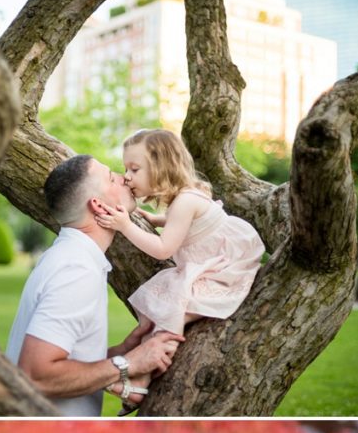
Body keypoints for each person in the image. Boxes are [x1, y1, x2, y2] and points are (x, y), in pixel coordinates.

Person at [5, 154, 184, 417]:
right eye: (112, 178)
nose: (124, 177)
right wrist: (129, 363)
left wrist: (117, 352)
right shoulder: (76, 270)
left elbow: (59, 362)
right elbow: (36, 375)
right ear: (99, 206)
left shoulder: (69, 257)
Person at [95, 129, 264, 396]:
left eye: (134, 169)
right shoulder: (185, 198)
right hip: (210, 262)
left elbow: (163, 250)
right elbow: (190, 223)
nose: (126, 177)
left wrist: (125, 225)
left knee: (172, 311)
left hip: (223, 269)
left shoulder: (186, 200)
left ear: (162, 166)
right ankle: (133, 364)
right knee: (161, 309)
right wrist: (156, 220)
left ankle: (140, 377)